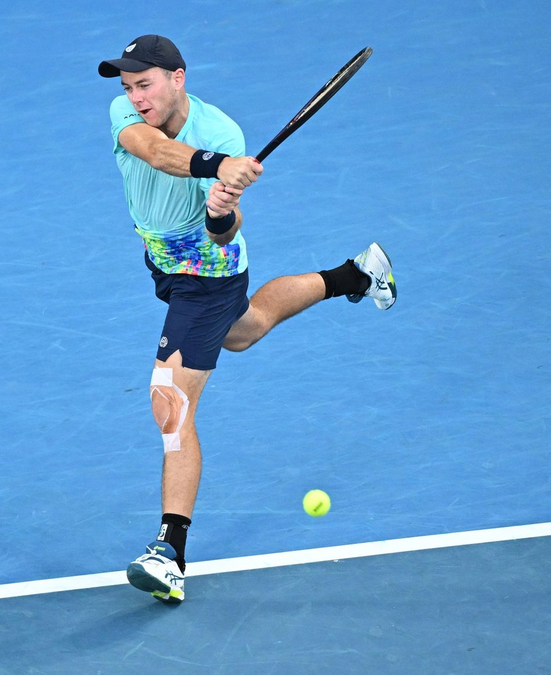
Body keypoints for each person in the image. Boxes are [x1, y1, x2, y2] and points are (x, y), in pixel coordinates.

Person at [99, 34, 396, 603]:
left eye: (146, 83)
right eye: (129, 86)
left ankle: (169, 552)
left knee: (170, 402)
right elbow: (155, 152)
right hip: (162, 257)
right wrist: (218, 170)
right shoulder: (133, 116)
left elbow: (225, 231)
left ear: (178, 78)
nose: (135, 96)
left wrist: (222, 210)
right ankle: (353, 275)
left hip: (206, 273)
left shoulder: (223, 133)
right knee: (246, 330)